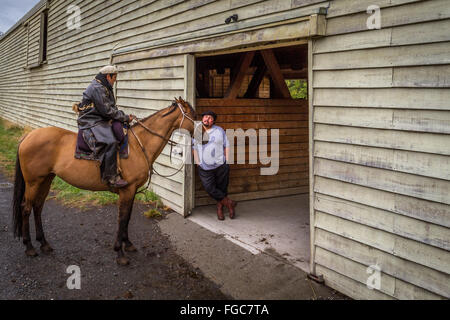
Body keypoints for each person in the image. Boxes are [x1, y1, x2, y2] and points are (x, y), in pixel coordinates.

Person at [76, 65, 135, 188]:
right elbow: (107, 111)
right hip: (91, 120)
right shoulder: (98, 88)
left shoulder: (104, 86)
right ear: (108, 76)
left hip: (99, 117)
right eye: (114, 78)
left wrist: (123, 116)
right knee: (110, 141)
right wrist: (124, 117)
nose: (115, 81)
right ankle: (111, 177)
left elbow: (111, 107)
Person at [192, 111, 237, 220]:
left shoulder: (219, 130)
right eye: (205, 117)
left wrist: (227, 160)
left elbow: (227, 145)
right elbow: (194, 148)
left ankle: (220, 209)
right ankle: (230, 203)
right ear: (202, 118)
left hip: (221, 165)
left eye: (210, 118)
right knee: (209, 188)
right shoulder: (197, 131)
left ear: (213, 121)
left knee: (222, 188)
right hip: (205, 167)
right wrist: (197, 162)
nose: (207, 119)